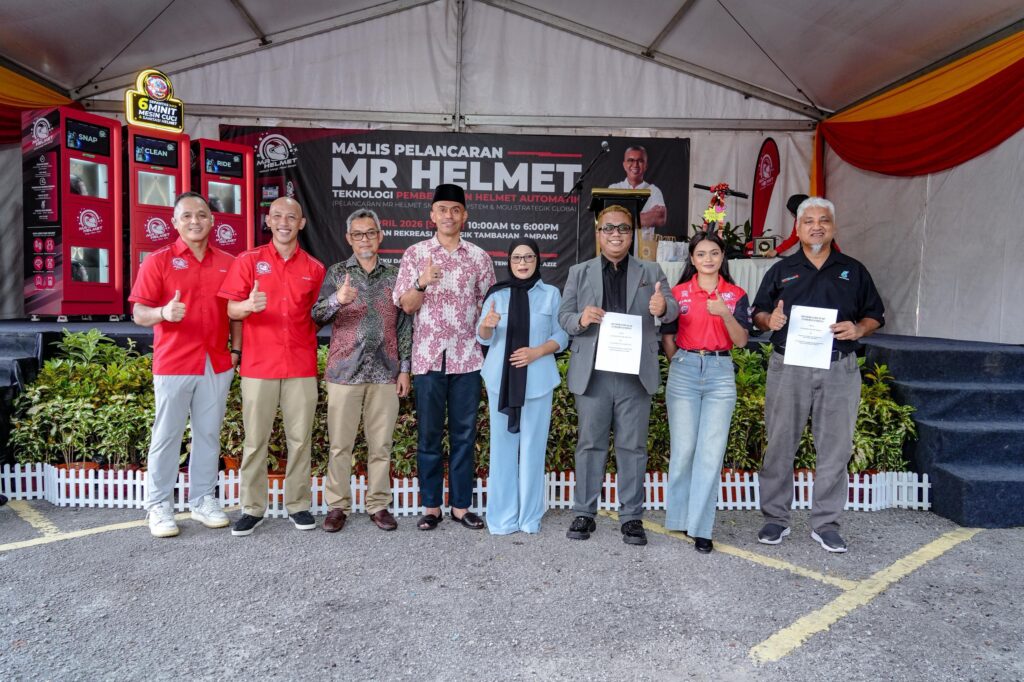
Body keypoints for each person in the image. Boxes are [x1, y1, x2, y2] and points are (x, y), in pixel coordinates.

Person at [752, 197, 884, 553]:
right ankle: (775, 518)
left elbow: (875, 314)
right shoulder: (781, 270)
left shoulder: (854, 270)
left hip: (839, 366)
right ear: (797, 228)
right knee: (780, 443)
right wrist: (769, 320)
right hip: (789, 366)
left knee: (835, 448)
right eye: (808, 221)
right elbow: (758, 313)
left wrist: (859, 329)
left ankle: (826, 523)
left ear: (833, 227)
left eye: (823, 220)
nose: (816, 226)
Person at [558, 204, 678, 546]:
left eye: (623, 228)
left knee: (633, 447)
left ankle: (631, 517)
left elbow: (672, 307)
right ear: (598, 234)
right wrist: (581, 319)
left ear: (632, 234)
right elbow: (563, 317)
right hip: (593, 373)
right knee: (589, 444)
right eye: (608, 228)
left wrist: (662, 308)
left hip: (634, 374)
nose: (616, 234)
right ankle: (584, 512)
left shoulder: (651, 270)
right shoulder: (579, 272)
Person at [128, 191, 241, 538]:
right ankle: (159, 505)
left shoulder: (229, 262)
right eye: (187, 216)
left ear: (212, 221)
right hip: (174, 361)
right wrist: (163, 312)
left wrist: (236, 351)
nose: (195, 221)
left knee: (208, 434)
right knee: (167, 435)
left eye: (202, 215)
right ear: (175, 223)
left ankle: (203, 499)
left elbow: (235, 312)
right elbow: (138, 313)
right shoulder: (157, 261)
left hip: (215, 361)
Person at [219, 197, 326, 536]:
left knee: (300, 440)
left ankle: (298, 504)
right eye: (277, 216)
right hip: (258, 365)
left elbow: (319, 315)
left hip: (300, 364)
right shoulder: (248, 260)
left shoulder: (315, 268)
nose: (284, 222)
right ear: (268, 221)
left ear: (301, 223)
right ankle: (252, 508)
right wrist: (248, 305)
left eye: (291, 217)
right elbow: (231, 310)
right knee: (255, 441)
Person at [395, 184, 495, 531]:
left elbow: (488, 308)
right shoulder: (416, 254)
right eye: (442, 209)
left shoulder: (479, 257)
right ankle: (431, 506)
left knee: (465, 435)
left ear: (464, 215)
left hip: (468, 359)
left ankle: (461, 507)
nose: (448, 215)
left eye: (455, 209)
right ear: (432, 215)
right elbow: (406, 306)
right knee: (429, 435)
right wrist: (421, 282)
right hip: (428, 358)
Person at [311, 209, 412, 533]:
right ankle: (337, 506)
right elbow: (316, 316)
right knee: (340, 445)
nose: (364, 239)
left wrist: (405, 369)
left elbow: (404, 324)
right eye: (358, 234)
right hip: (344, 373)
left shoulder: (396, 275)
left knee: (381, 445)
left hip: (385, 372)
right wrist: (337, 300)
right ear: (348, 238)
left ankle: (378, 505)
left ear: (380, 236)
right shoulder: (337, 272)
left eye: (370, 233)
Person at [660, 231, 751, 554]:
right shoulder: (679, 292)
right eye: (701, 254)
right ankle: (679, 517)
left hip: (720, 373)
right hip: (684, 369)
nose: (708, 259)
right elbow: (667, 334)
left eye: (714, 253)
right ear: (692, 259)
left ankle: (701, 528)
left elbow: (741, 341)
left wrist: (724, 312)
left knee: (711, 453)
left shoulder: (736, 295)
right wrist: (679, 361)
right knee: (684, 450)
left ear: (722, 256)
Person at [477, 239, 568, 534]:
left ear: (537, 260)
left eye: (529, 257)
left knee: (532, 449)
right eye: (517, 258)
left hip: (538, 380)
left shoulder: (551, 294)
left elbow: (562, 336)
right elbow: (482, 337)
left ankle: (529, 518)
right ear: (509, 262)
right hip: (500, 381)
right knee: (502, 449)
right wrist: (488, 324)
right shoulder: (497, 294)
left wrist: (536, 352)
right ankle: (502, 519)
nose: (523, 263)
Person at [609, 146, 667, 229]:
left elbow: (660, 218)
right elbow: (610, 219)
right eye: (630, 160)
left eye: (640, 161)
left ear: (646, 165)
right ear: (624, 165)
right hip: (619, 238)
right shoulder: (614, 189)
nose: (635, 165)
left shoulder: (654, 191)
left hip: (645, 238)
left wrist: (623, 218)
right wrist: (647, 216)